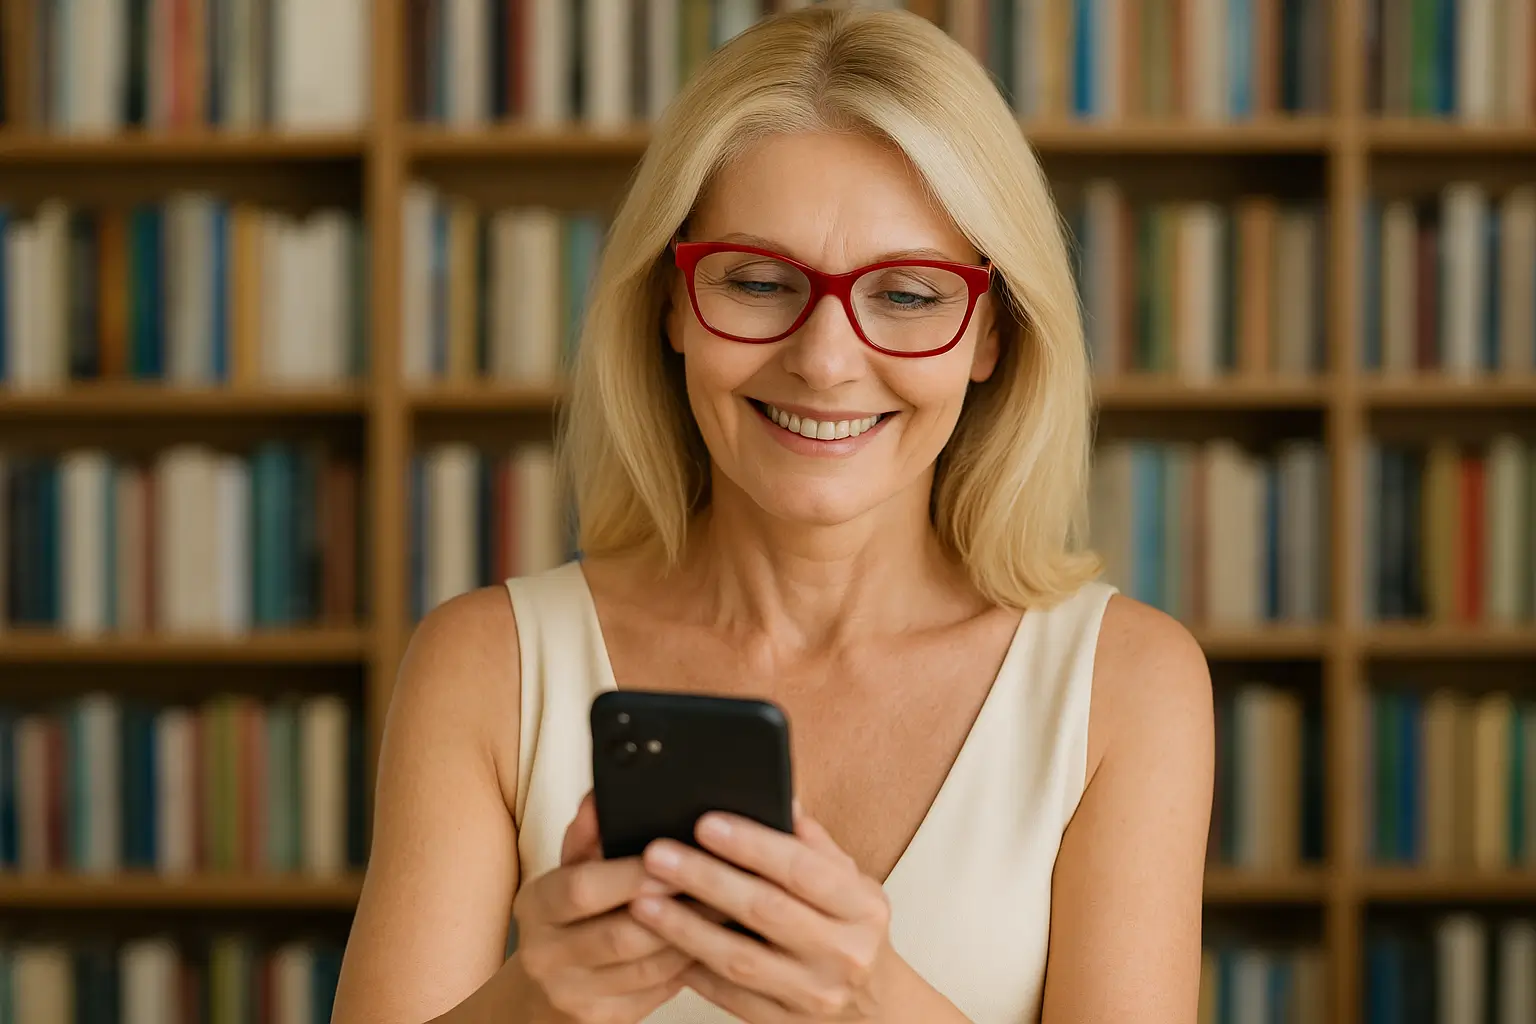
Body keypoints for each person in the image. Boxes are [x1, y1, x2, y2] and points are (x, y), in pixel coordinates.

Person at [331, 5, 1213, 1023]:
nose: (827, 360)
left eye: (911, 295)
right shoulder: (486, 665)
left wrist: (867, 998)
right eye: (756, 280)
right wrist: (537, 998)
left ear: (991, 334)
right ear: (669, 302)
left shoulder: (1126, 684)